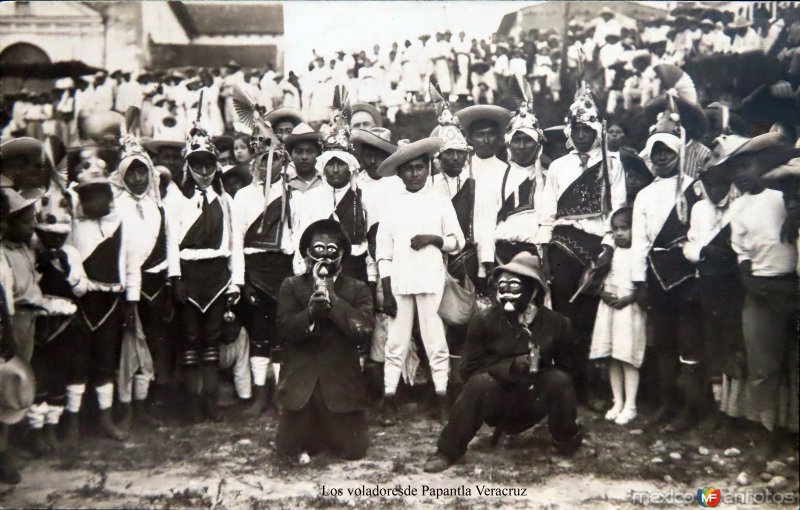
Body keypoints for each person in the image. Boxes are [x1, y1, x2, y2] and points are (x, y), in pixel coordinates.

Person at [423, 251, 582, 473]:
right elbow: (468, 370)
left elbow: (568, 369)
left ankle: (567, 440)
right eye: (502, 287)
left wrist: (541, 373)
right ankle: (447, 450)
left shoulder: (558, 323)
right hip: (496, 399)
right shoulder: (484, 320)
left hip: (534, 397)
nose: (506, 294)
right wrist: (510, 366)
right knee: (479, 384)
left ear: (534, 289)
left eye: (514, 288)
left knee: (560, 380)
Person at [538, 84, 626, 406]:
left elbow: (617, 208)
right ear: (570, 131)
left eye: (588, 129)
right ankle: (567, 385)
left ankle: (591, 387)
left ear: (596, 130)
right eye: (577, 129)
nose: (583, 135)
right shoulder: (559, 166)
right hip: (562, 245)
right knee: (565, 314)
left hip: (596, 244)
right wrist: (545, 252)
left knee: (590, 316)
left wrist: (608, 246)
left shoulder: (612, 164)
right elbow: (548, 212)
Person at [375, 137, 466, 425]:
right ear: (400, 173)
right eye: (408, 169)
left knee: (435, 341)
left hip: (431, 281)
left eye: (420, 167)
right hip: (400, 283)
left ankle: (441, 397)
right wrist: (386, 289)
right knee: (396, 342)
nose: (414, 174)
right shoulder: (390, 206)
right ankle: (389, 398)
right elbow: (383, 253)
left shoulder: (439, 202)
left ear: (428, 169)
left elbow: (458, 241)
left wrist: (435, 239)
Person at [274, 219, 375, 462]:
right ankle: (314, 432)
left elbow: (364, 330)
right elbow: (284, 329)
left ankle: (325, 432)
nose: (325, 256)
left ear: (342, 256)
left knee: (354, 451)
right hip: (302, 387)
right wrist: (309, 314)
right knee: (287, 451)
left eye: (332, 250)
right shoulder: (291, 285)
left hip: (341, 387)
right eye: (318, 248)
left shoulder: (357, 288)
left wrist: (335, 302)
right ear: (307, 254)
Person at [631, 109, 704, 431]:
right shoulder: (645, 194)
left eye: (668, 152)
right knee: (663, 344)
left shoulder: (694, 188)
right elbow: (638, 243)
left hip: (687, 275)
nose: (662, 158)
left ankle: (691, 409)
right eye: (656, 152)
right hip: (656, 275)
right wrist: (639, 281)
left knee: (689, 344)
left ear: (678, 153)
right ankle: (667, 403)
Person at [725, 133, 798, 453]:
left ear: (761, 165)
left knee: (794, 364)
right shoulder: (738, 207)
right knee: (762, 366)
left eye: (748, 165)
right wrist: (750, 282)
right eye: (736, 168)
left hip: (792, 287)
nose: (742, 173)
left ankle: (793, 429)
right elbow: (741, 251)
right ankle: (767, 432)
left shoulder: (784, 197)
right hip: (760, 291)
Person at [167, 122, 239, 424]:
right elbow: (171, 240)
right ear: (189, 166)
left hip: (217, 274)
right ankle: (190, 403)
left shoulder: (225, 200)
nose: (205, 170)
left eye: (209, 164)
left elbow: (234, 244)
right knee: (190, 337)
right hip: (189, 273)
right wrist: (176, 278)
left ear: (216, 165)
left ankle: (210, 400)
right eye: (198, 164)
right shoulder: (177, 200)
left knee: (211, 338)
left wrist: (235, 282)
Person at [66, 162, 138, 442]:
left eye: (98, 195)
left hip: (111, 303)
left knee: (106, 360)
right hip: (82, 303)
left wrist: (131, 303)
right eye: (86, 196)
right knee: (78, 360)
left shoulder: (122, 224)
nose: (92, 201)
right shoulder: (74, 228)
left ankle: (106, 418)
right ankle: (72, 421)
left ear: (109, 196)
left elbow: (131, 267)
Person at [232, 140, 293, 416]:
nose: (270, 165)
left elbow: (297, 236)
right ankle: (259, 396)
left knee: (281, 336)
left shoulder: (294, 195)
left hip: (283, 269)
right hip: (254, 269)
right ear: (254, 162)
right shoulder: (243, 196)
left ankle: (280, 395)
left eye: (276, 159)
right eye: (263, 159)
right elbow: (236, 240)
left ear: (284, 162)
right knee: (258, 333)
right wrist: (240, 280)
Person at [110, 132, 166, 430]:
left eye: (142, 171)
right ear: (122, 175)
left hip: (154, 286)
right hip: (127, 287)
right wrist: (129, 294)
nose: (138, 178)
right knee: (126, 347)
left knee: (150, 347)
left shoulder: (156, 207)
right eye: (131, 172)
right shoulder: (117, 207)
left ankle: (142, 405)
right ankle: (125, 407)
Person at [589, 207, 646, 426]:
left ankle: (630, 404)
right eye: (615, 230)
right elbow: (603, 279)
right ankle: (618, 401)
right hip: (610, 309)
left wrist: (628, 300)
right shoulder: (612, 254)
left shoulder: (639, 254)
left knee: (627, 356)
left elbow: (641, 286)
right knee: (613, 355)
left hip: (628, 311)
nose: (620, 233)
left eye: (625, 228)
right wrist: (603, 292)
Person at [454, 105, 513, 285]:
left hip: (497, 248)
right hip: (465, 247)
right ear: (470, 138)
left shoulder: (507, 171)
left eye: (491, 134)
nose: (486, 140)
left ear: (500, 138)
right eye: (480, 134)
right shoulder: (461, 171)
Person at [284, 122, 324, 193]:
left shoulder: (325, 180)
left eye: (310, 151)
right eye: (299, 152)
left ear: (318, 154)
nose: (304, 157)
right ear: (291, 155)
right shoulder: (284, 181)